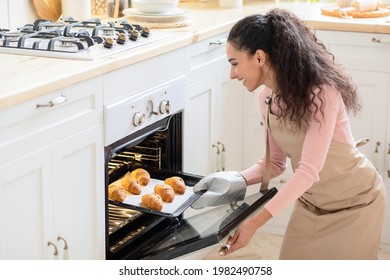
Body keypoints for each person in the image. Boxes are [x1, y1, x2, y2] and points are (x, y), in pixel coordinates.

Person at [191, 8, 386, 259]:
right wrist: (235, 178)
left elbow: (308, 171)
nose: (232, 74)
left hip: (356, 205)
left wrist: (254, 223)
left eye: (234, 63)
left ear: (259, 58)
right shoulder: (266, 99)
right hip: (310, 206)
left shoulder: (321, 94)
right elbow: (275, 163)